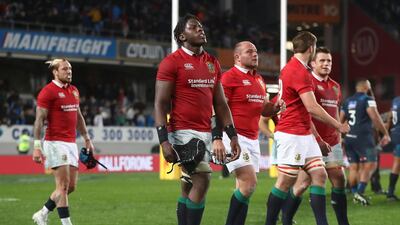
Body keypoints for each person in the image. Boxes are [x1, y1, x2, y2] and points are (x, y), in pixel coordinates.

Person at [154, 14, 241, 225]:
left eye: (201, 27)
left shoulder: (212, 62)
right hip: (182, 131)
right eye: (194, 27)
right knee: (202, 180)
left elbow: (220, 103)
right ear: (182, 36)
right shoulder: (171, 63)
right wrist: (164, 141)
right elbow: (160, 103)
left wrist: (232, 135)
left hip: (205, 130)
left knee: (187, 186)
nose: (201, 30)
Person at [264, 31, 349, 225]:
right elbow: (311, 107)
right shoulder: (299, 71)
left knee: (319, 175)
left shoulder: (292, 68)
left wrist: (318, 138)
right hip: (292, 133)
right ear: (311, 49)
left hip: (304, 133)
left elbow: (300, 108)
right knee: (286, 182)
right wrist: (338, 125)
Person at [219, 41, 285, 225]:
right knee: (249, 184)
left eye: (256, 51)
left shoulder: (259, 80)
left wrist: (275, 107)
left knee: (244, 188)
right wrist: (221, 137)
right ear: (237, 57)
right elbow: (220, 108)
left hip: (253, 139)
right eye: (250, 52)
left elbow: (264, 109)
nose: (255, 54)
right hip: (233, 137)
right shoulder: (229, 77)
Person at [32, 58, 95, 225]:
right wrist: (37, 147)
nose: (69, 72)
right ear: (55, 72)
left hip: (71, 143)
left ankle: (42, 213)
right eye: (65, 69)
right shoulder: (48, 92)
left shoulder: (74, 90)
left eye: (70, 69)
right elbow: (39, 120)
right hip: (54, 142)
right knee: (63, 186)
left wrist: (87, 139)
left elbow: (78, 116)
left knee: (71, 187)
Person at [340, 79, 390, 205]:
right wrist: (385, 133)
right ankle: (359, 193)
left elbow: (340, 120)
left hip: (349, 138)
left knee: (353, 167)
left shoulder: (347, 101)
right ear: (367, 87)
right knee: (372, 164)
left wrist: (341, 136)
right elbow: (375, 117)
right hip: (364, 138)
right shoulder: (368, 100)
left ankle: (354, 191)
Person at [386, 96, 400, 200]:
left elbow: (390, 116)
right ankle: (390, 193)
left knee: (397, 163)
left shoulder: (395, 100)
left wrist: (386, 132)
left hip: (395, 133)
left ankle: (390, 192)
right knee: (397, 163)